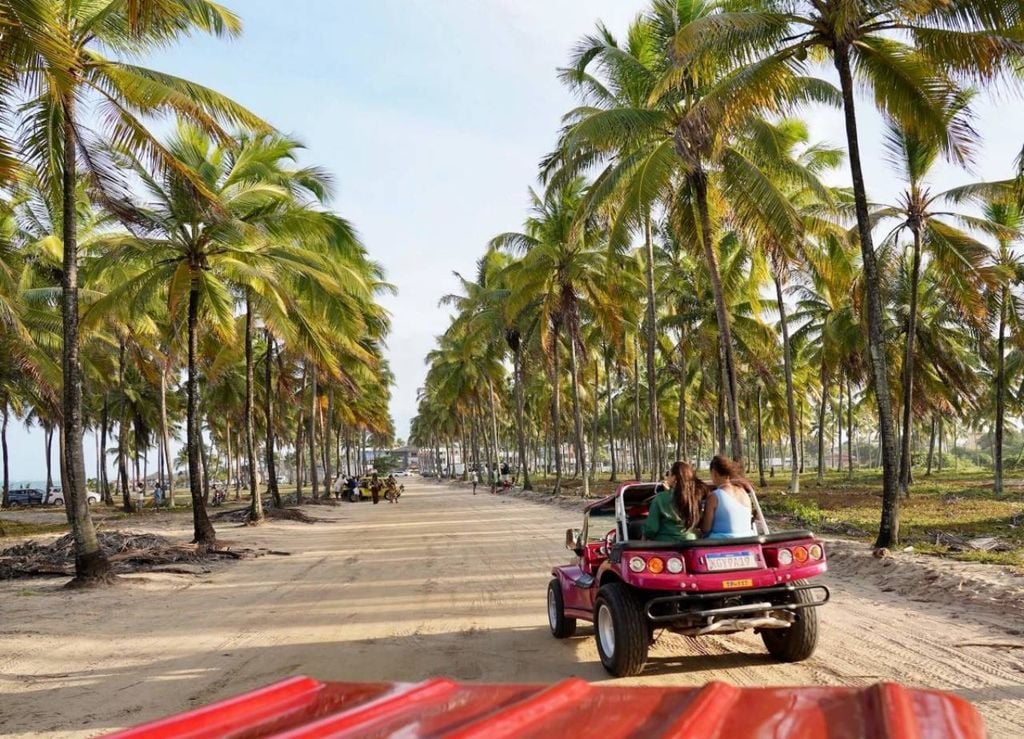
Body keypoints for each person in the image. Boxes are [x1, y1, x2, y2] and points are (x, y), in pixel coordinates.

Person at [643, 461, 708, 542]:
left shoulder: (660, 498)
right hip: (691, 541)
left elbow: (651, 529)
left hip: (665, 543)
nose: (667, 477)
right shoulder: (695, 498)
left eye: (668, 474)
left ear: (674, 477)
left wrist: (644, 535)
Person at [700, 455, 757, 539]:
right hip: (748, 539)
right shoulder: (744, 492)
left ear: (714, 473)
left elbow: (705, 529)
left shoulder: (714, 497)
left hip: (723, 542)